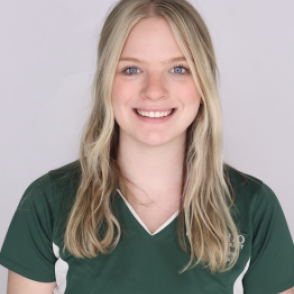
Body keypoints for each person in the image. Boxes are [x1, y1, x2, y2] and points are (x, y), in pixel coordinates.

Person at [1, 0, 294, 293]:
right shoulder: (48, 203)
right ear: (106, 81)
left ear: (203, 83)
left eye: (179, 69)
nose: (154, 91)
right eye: (131, 70)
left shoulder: (254, 207)